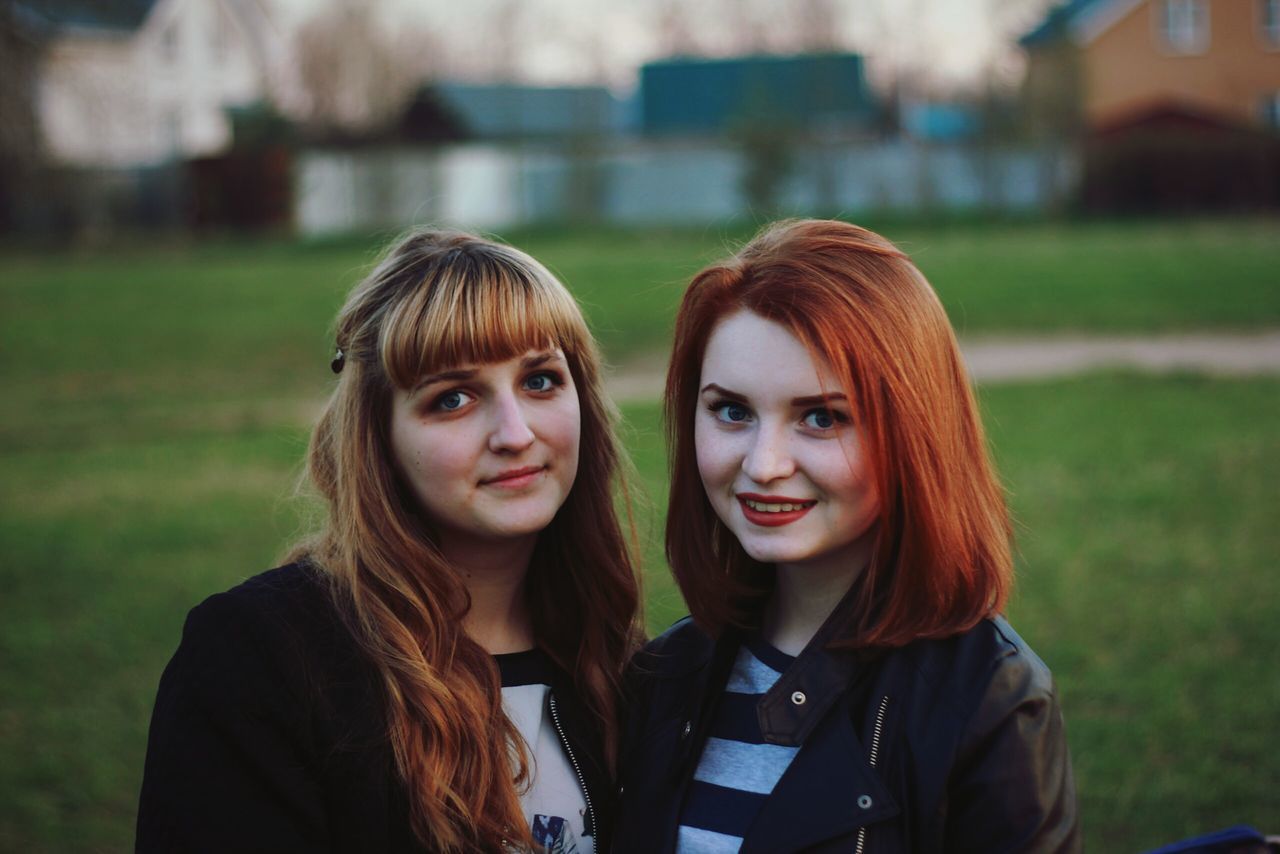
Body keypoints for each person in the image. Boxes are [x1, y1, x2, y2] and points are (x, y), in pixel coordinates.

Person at [136, 228, 642, 853]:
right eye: (452, 398)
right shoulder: (263, 661)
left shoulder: (619, 664)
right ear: (380, 439)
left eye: (540, 381)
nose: (515, 433)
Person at [615, 219, 1078, 852]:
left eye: (822, 416)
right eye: (732, 410)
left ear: (914, 431)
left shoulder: (989, 700)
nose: (764, 464)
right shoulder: (660, 676)